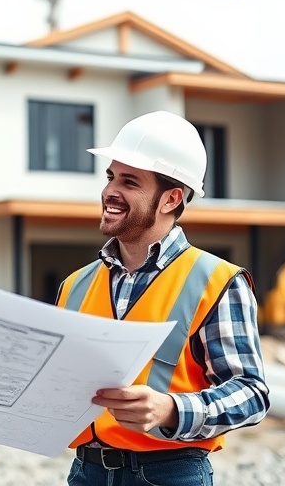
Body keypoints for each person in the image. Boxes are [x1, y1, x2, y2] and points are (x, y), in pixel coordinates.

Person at [56, 111, 269, 485]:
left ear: (170, 199)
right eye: (110, 177)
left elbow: (252, 394)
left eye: (129, 181)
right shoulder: (75, 285)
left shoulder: (217, 281)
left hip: (170, 473)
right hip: (86, 471)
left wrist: (171, 409)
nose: (110, 191)